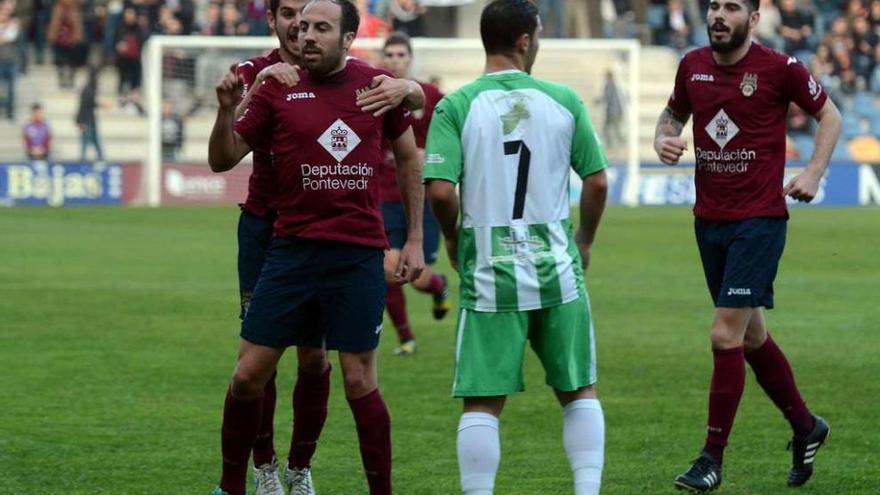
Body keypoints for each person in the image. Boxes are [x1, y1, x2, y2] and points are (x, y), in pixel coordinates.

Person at [207, 1, 426, 494]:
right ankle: (233, 485)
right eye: (302, 26)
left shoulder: (375, 87)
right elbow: (223, 158)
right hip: (291, 253)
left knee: (357, 380)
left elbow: (410, 158)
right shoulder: (276, 86)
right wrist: (226, 111)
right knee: (247, 377)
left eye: (321, 28)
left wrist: (412, 237)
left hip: (356, 255)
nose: (306, 35)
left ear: (349, 38)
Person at [653, 0, 840, 492]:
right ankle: (806, 426)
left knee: (723, 335)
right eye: (714, 5)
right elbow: (670, 118)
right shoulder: (691, 65)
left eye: (731, 7)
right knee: (751, 337)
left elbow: (831, 116)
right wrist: (663, 140)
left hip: (759, 219)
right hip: (708, 220)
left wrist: (814, 173)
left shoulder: (780, 68)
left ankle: (711, 458)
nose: (719, 14)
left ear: (753, 20)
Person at [424, 1, 608, 494]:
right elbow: (597, 182)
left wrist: (449, 236)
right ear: (526, 39)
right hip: (556, 267)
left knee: (482, 402)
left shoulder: (456, 106)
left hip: (490, 268)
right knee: (577, 390)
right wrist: (584, 241)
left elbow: (440, 190)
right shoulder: (563, 100)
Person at [379, 31, 449, 356]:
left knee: (417, 275)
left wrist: (427, 154)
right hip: (384, 194)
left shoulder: (432, 96)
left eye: (400, 55)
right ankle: (406, 338)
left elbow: (451, 139)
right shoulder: (372, 95)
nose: (395, 60)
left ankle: (437, 286)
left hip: (421, 198)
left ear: (410, 58)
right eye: (389, 55)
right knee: (390, 270)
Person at [76, 66, 104, 162]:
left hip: (89, 120)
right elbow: (87, 105)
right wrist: (81, 122)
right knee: (86, 142)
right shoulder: (88, 90)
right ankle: (83, 162)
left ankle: (101, 160)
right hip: (87, 121)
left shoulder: (88, 89)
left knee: (94, 142)